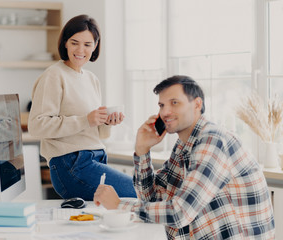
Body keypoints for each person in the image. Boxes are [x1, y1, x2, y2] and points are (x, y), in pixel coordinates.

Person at [94, 75, 275, 239]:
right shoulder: (183, 144)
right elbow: (152, 199)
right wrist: (142, 150)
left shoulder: (212, 141)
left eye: (174, 103)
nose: (165, 112)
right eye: (162, 105)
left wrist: (119, 206)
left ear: (197, 104)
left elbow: (179, 213)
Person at [28, 14, 136, 200]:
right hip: (71, 165)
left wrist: (107, 122)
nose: (80, 50)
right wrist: (85, 119)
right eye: (74, 42)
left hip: (95, 158)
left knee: (124, 204)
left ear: (95, 46)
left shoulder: (91, 79)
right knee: (140, 192)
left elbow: (97, 133)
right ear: (65, 44)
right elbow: (37, 126)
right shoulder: (54, 75)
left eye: (87, 44)